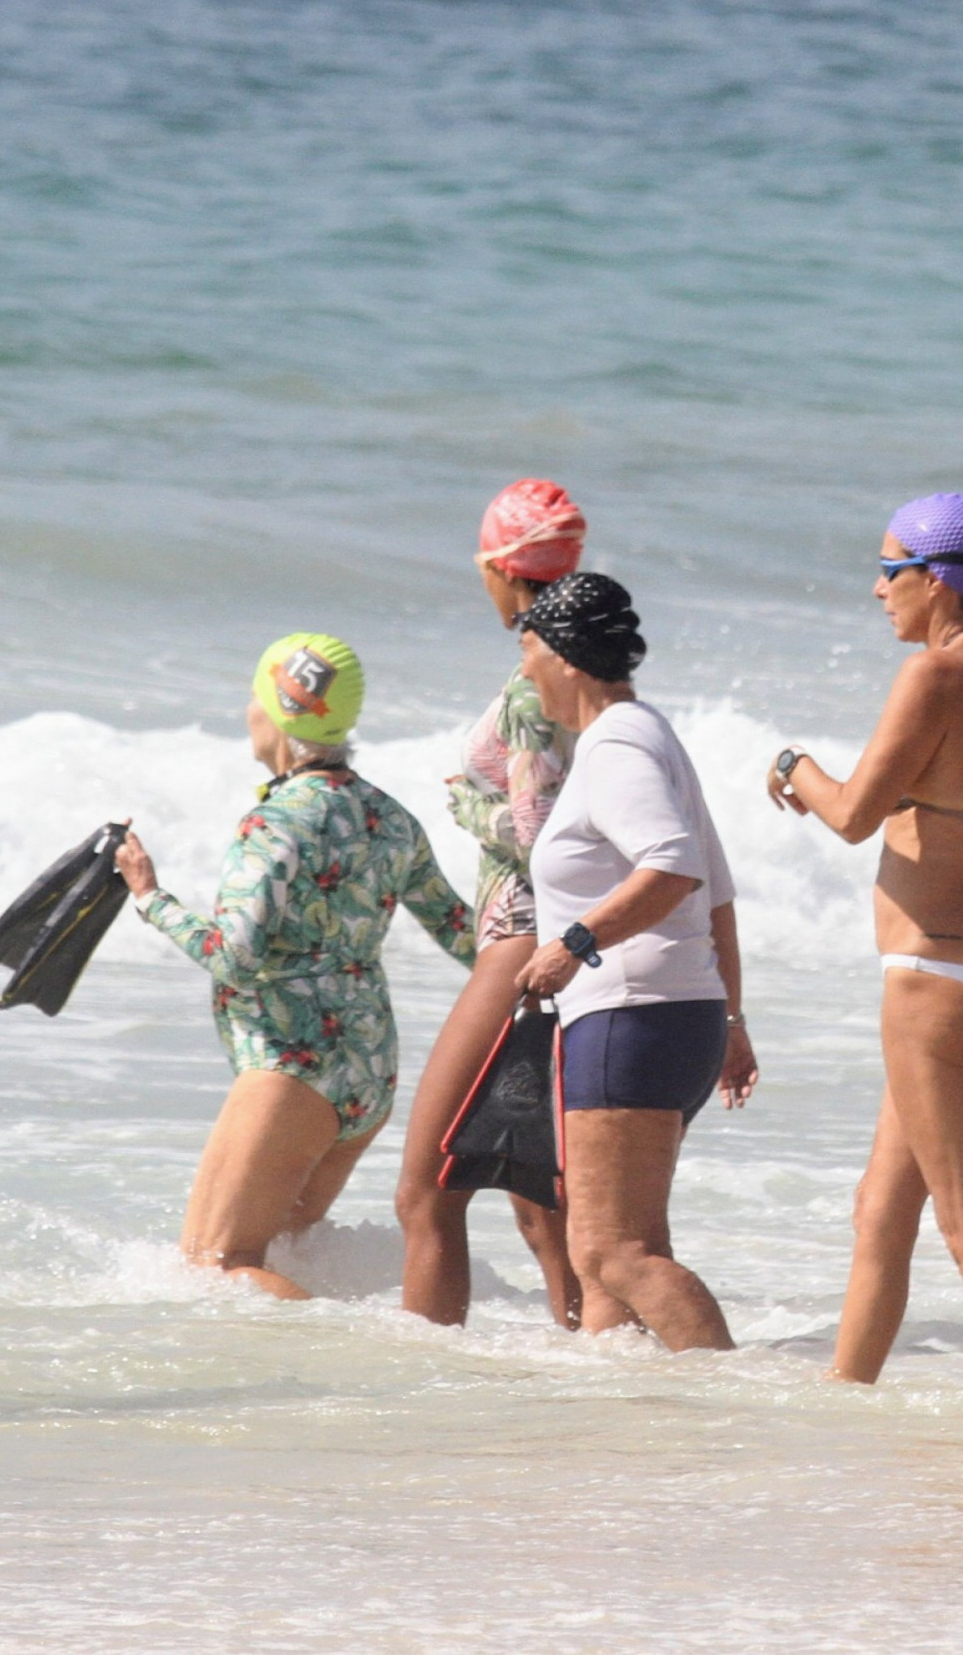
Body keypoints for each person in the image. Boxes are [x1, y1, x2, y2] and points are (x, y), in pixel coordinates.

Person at [767, 492, 963, 1386]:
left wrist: (791, 766)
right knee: (879, 1213)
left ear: (937, 580)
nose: (878, 589)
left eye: (890, 571)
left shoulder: (933, 677)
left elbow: (850, 816)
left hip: (936, 985)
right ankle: (841, 1403)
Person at [116, 631, 475, 1301]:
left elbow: (234, 958)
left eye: (255, 695)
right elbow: (464, 935)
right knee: (282, 1257)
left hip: (293, 1067)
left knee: (215, 1267)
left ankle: (355, 1353)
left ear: (280, 710)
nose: (247, 710)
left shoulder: (275, 823)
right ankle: (340, 1365)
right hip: (368, 1069)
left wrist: (149, 897)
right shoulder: (390, 818)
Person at [516, 573, 757, 1348]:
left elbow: (675, 867)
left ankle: (732, 1394)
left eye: (528, 649)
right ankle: (634, 1415)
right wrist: (731, 1019)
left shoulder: (615, 743)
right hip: (675, 1016)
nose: (523, 669)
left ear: (565, 656)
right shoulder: (649, 733)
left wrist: (571, 945)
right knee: (611, 1263)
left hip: (630, 1017)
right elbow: (717, 892)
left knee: (610, 1251)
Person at [396, 479, 586, 1325]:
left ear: (503, 570)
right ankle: (596, 1363)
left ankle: (421, 1385)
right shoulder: (584, 669)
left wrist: (462, 803)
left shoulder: (530, 687)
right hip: (567, 944)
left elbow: (541, 840)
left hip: (521, 940)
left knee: (427, 1190)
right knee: (542, 1207)